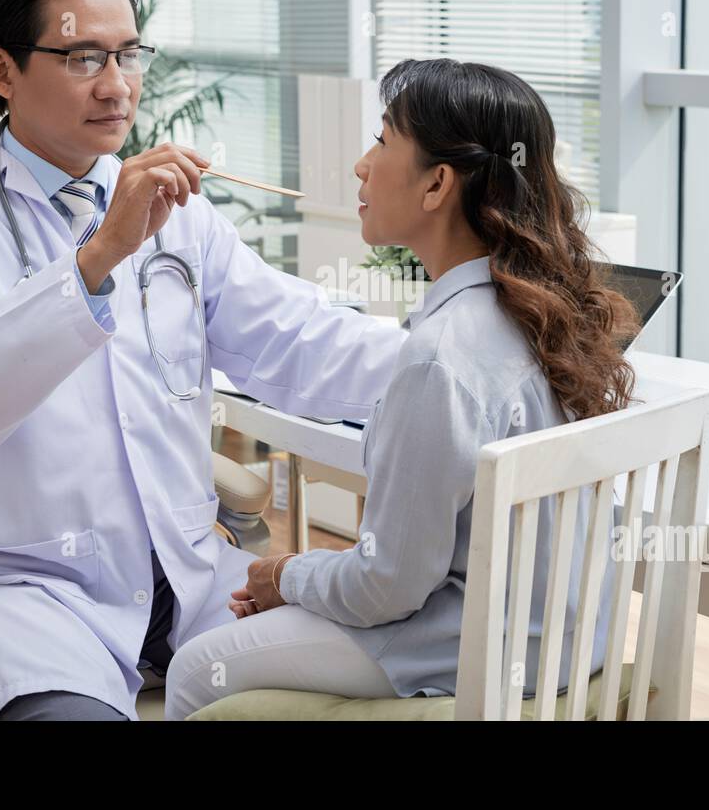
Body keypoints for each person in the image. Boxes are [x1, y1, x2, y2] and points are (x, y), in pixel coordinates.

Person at [0, 0, 406, 720]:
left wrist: (460, 357)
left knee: (359, 688)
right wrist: (100, 255)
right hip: (21, 591)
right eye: (84, 58)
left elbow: (296, 336)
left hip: (191, 576)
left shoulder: (180, 217)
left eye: (129, 54)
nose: (118, 86)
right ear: (3, 72)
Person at [165, 58, 640, 719]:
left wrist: (286, 575)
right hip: (570, 642)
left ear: (438, 183)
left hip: (478, 648)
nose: (362, 165)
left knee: (194, 668)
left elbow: (387, 586)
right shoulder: (542, 318)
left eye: (383, 141)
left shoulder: (438, 358)